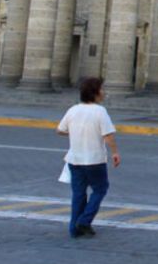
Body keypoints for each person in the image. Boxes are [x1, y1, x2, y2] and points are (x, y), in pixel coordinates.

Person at [57, 77, 121, 238]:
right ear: (95, 92)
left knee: (78, 193)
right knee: (100, 189)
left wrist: (76, 132)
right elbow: (108, 135)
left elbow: (60, 130)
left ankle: (74, 228)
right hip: (94, 160)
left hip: (75, 159)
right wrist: (115, 152)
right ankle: (85, 221)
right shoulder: (100, 111)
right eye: (102, 89)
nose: (104, 92)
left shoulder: (73, 110)